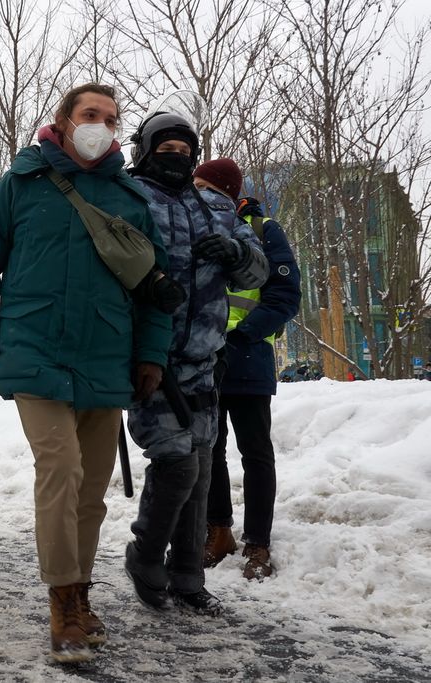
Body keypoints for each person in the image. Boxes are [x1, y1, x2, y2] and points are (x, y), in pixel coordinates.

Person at [0, 84, 174, 661]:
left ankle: (80, 595)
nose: (100, 126)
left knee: (91, 493)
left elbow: (153, 286)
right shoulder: (21, 184)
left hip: (107, 356)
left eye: (111, 118)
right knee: (60, 470)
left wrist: (151, 354)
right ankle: (61, 603)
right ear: (62, 120)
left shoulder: (130, 198)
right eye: (89, 115)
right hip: (34, 350)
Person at [124, 114, 268, 618]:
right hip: (148, 359)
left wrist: (233, 251)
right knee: (176, 464)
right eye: (166, 147)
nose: (177, 156)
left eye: (187, 150)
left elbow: (258, 265)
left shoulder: (216, 206)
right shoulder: (126, 198)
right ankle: (144, 554)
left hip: (206, 361)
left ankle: (188, 576)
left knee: (202, 469)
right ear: (143, 149)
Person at [192, 160, 301, 581]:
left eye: (207, 186)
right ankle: (218, 531)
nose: (199, 193)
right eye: (194, 185)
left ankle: (258, 542)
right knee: (210, 450)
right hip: (201, 358)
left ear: (229, 192)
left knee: (255, 452)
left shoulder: (263, 231)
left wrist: (244, 336)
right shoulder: (190, 226)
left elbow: (285, 295)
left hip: (248, 356)